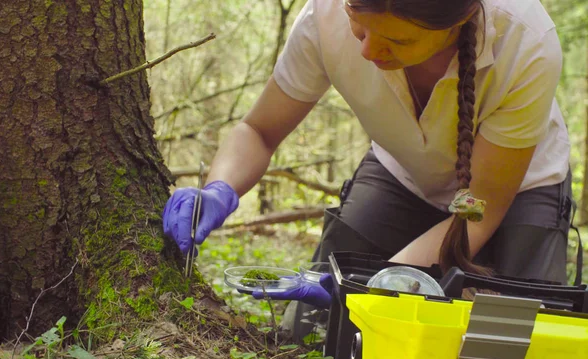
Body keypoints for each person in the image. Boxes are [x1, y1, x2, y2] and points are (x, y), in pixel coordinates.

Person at [163, 0, 573, 334]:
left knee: (510, 336)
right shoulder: (324, 16)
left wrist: (368, 283)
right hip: (402, 175)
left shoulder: (525, 42)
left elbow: (478, 211)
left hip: (513, 193)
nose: (366, 52)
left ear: (461, 20)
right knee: (316, 331)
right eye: (358, 28)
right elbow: (259, 130)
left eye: (397, 39)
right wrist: (219, 189)